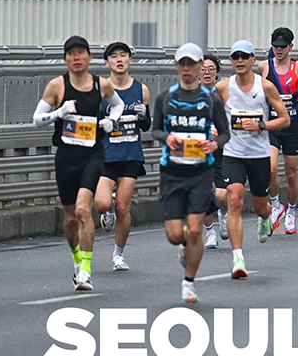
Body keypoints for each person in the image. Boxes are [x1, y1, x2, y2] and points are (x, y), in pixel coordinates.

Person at [32, 36, 124, 291]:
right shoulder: (57, 86)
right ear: (65, 59)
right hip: (66, 156)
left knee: (84, 210)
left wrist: (112, 121)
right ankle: (76, 259)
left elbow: (118, 105)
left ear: (89, 57)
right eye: (71, 53)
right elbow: (37, 119)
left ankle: (85, 270)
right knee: (71, 217)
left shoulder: (101, 84)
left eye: (81, 52)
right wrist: (58, 113)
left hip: (92, 155)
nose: (77, 57)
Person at [152, 43, 230, 303]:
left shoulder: (211, 100)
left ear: (199, 67)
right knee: (176, 235)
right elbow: (155, 130)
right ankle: (184, 245)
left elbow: (225, 133)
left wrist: (215, 144)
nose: (186, 69)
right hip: (172, 172)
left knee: (196, 230)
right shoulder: (165, 98)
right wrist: (167, 137)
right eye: (182, 64)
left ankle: (189, 282)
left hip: (201, 173)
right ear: (177, 67)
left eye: (191, 64)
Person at [216, 40, 290, 278]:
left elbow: (285, 119)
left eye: (244, 56)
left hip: (258, 155)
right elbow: (210, 114)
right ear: (231, 61)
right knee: (234, 200)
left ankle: (266, 216)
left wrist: (261, 125)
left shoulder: (265, 86)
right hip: (233, 154)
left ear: (252, 60)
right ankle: (238, 258)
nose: (239, 61)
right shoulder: (223, 87)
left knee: (259, 206)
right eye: (235, 57)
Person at [94, 42, 151, 271]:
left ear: (130, 60)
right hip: (106, 154)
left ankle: (118, 254)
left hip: (130, 154)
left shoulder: (141, 89)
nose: (119, 60)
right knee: (101, 203)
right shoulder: (100, 90)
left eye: (123, 55)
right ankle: (107, 212)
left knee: (123, 207)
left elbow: (146, 126)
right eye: (114, 56)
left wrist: (144, 115)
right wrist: (105, 123)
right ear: (106, 62)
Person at [260, 27, 298, 234]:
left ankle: (291, 210)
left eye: (283, 46)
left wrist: (296, 97)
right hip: (272, 124)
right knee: (271, 168)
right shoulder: (264, 67)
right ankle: (276, 205)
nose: (279, 50)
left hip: (291, 124)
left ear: (290, 46)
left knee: (291, 173)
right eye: (275, 46)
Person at [201, 55, 228, 245]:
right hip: (198, 150)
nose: (207, 72)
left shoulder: (224, 93)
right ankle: (210, 232)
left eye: (211, 69)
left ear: (217, 72)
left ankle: (223, 213)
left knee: (221, 194)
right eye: (203, 69)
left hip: (221, 149)